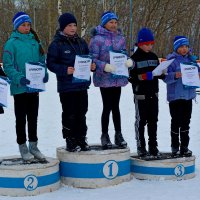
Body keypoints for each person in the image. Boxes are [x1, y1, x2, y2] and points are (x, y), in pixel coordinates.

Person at [47, 12, 96, 152]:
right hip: (67, 86)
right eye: (69, 25)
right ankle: (70, 139)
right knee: (69, 113)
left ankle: (81, 138)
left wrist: (93, 66)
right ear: (63, 27)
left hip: (82, 85)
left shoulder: (81, 42)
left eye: (75, 25)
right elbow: (50, 63)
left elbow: (89, 58)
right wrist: (64, 70)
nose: (73, 28)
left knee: (82, 112)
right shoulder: (56, 44)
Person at [3, 12, 48, 161]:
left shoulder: (35, 41)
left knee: (33, 118)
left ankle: (34, 147)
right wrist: (19, 78)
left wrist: (44, 73)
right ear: (17, 26)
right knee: (21, 119)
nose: (27, 27)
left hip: (34, 88)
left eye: (28, 25)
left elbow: (42, 60)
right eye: (23, 25)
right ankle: (23, 147)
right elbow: (8, 66)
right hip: (20, 88)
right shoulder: (11, 43)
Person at [89, 11, 133, 150]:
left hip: (117, 78)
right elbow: (92, 59)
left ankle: (118, 134)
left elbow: (124, 53)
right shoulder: (97, 39)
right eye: (111, 22)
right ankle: (104, 135)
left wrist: (128, 61)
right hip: (104, 78)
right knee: (107, 106)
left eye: (115, 22)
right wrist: (104, 66)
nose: (114, 25)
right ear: (104, 23)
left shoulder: (121, 38)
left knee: (116, 107)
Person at [129, 27, 162, 157]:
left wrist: (163, 73)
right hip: (141, 95)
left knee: (153, 121)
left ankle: (153, 146)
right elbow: (130, 77)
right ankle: (141, 146)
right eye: (147, 44)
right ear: (140, 44)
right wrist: (141, 77)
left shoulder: (154, 57)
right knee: (141, 121)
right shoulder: (134, 59)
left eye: (151, 44)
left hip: (154, 94)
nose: (149, 47)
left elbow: (158, 73)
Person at [164, 36, 199, 157]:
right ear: (176, 48)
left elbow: (197, 74)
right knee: (176, 122)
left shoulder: (192, 60)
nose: (184, 49)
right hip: (175, 97)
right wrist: (175, 75)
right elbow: (165, 77)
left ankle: (184, 146)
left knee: (186, 122)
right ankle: (175, 146)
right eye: (181, 47)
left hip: (188, 97)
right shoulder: (171, 61)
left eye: (186, 46)